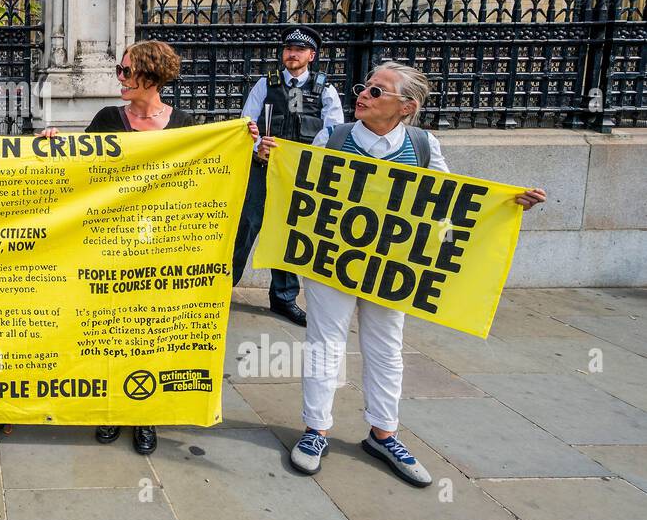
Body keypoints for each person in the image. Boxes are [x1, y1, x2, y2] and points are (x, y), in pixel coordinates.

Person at [256, 61, 546, 487]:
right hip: (332, 260)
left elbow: (448, 205)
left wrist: (501, 208)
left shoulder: (423, 145)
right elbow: (301, 181)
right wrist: (270, 159)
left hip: (390, 267)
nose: (363, 94)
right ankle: (316, 430)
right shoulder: (334, 137)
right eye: (365, 86)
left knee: (386, 347)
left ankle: (383, 433)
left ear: (406, 107)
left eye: (377, 91)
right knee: (324, 343)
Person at [42, 40, 256, 455]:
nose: (118, 79)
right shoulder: (108, 119)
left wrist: (241, 143)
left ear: (150, 75)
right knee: (109, 333)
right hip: (111, 247)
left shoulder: (185, 124)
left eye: (125, 72)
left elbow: (209, 179)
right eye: (119, 72)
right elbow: (79, 169)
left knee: (150, 335)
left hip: (162, 250)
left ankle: (145, 413)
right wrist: (51, 146)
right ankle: (110, 409)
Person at [232, 25, 344, 328]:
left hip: (300, 174)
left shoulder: (325, 89)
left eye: (298, 49)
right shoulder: (264, 84)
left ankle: (283, 298)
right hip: (263, 168)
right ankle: (221, 288)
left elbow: (333, 129)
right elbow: (246, 122)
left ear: (311, 55)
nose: (291, 53)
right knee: (247, 225)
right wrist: (258, 146)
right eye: (287, 48)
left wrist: (303, 158)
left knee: (289, 233)